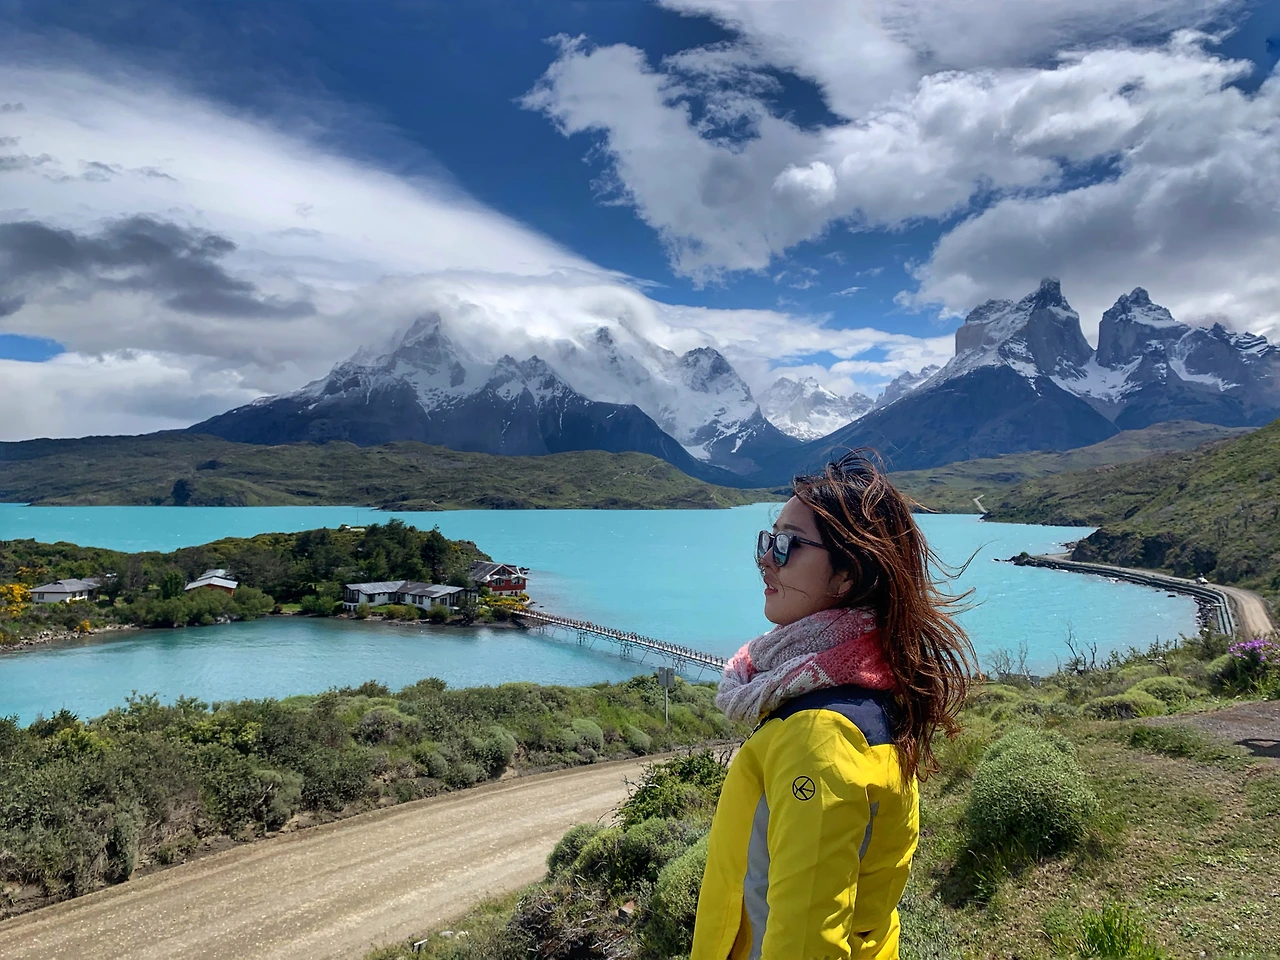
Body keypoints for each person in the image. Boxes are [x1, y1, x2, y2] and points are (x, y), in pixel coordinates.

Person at [691, 450, 977, 960]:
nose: (765, 559)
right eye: (767, 540)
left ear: (846, 575)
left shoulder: (820, 734)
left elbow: (806, 943)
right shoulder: (873, 688)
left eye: (787, 545)